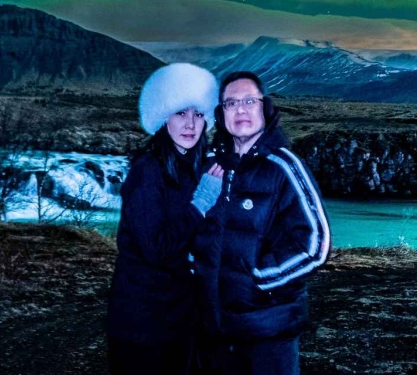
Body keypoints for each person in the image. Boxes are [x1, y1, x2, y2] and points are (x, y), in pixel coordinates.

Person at [192, 71, 330, 375]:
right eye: (231, 103)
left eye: (249, 101)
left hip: (268, 331)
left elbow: (316, 244)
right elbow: (191, 232)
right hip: (214, 330)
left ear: (264, 108)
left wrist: (261, 279)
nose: (240, 110)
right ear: (221, 113)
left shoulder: (284, 166)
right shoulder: (208, 165)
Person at [106, 62, 225, 373]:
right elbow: (156, 249)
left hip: (181, 315)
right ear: (163, 117)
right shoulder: (147, 172)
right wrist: (200, 203)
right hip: (142, 322)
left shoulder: (194, 167)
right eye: (180, 113)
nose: (191, 124)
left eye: (198, 114)